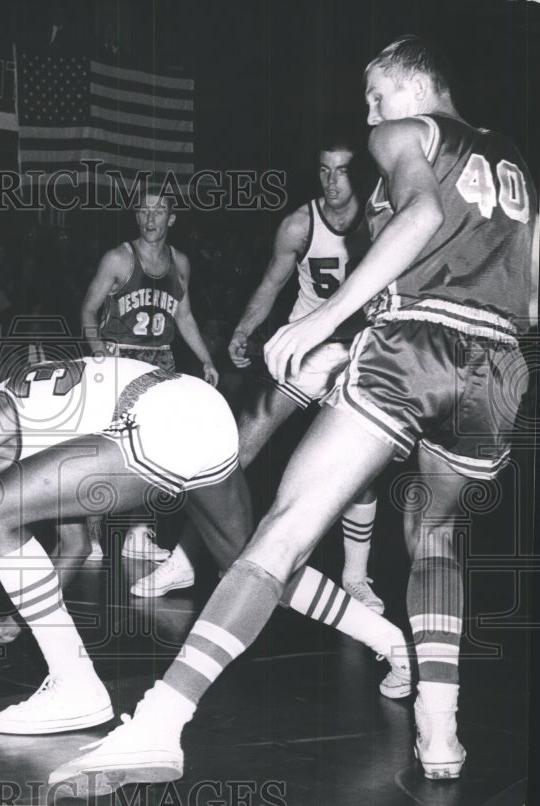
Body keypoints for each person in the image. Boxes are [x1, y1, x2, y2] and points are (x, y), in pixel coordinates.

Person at [49, 35, 537, 793]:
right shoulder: (513, 164)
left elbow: (418, 219)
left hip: (415, 344)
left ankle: (156, 726)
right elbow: (532, 296)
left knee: (282, 527)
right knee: (437, 537)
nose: (368, 111)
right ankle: (441, 733)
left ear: (413, 85)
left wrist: (323, 322)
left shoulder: (405, 134)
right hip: (500, 364)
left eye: (375, 93)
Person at [0, 354, 410, 737]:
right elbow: (74, 547)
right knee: (255, 567)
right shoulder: (34, 434)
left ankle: (76, 687)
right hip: (201, 412)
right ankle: (386, 638)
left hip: (160, 418)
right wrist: (14, 617)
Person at [135, 139, 384, 613]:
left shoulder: (383, 221)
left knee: (360, 469)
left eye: (343, 172)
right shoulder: (298, 224)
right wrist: (245, 330)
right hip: (304, 347)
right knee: (236, 447)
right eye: (325, 171)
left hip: (361, 353)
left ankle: (355, 577)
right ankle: (187, 558)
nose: (332, 182)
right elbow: (271, 283)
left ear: (362, 175)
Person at [80, 189, 218, 561]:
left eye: (159, 212)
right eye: (144, 211)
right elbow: (88, 311)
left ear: (172, 219)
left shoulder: (181, 262)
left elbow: (184, 316)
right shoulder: (118, 258)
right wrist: (98, 354)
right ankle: (91, 537)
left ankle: (138, 533)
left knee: (154, 449)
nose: (151, 218)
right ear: (136, 217)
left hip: (160, 360)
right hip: (120, 356)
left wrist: (206, 359)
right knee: (105, 448)